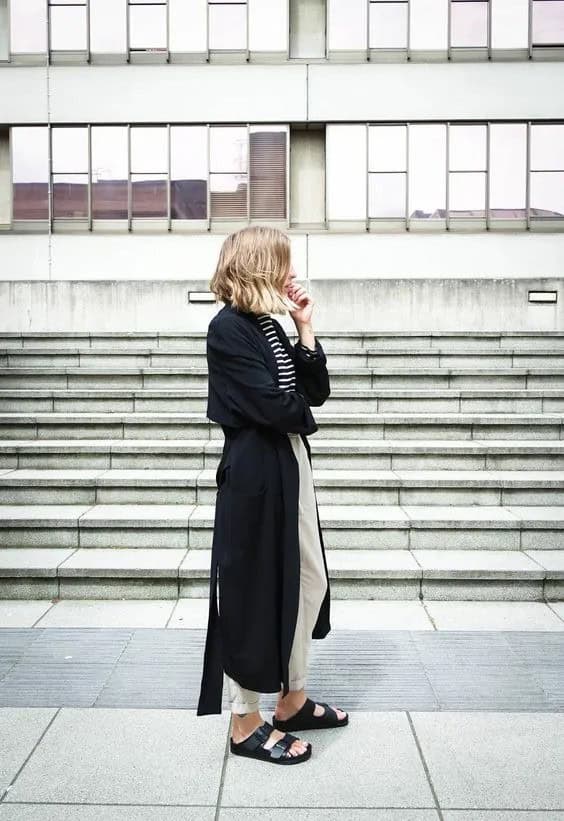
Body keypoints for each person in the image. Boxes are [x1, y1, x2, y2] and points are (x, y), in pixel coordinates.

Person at [196, 225, 349, 765]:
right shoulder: (228, 329)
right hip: (255, 473)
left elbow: (314, 394)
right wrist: (295, 408)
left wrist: (304, 328)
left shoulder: (268, 325)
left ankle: (292, 700)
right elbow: (280, 409)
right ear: (259, 266)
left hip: (290, 463)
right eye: (283, 262)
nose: (292, 272)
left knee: (310, 580)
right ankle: (244, 722)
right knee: (252, 593)